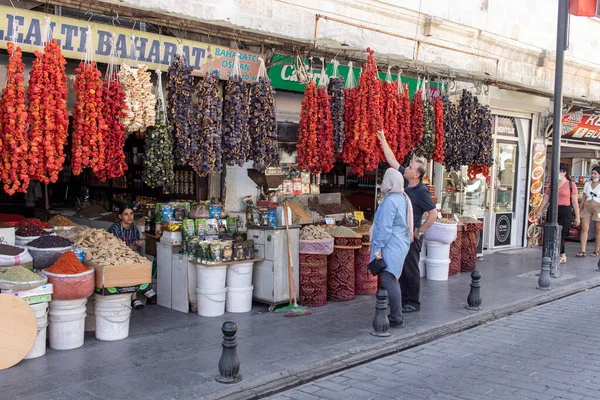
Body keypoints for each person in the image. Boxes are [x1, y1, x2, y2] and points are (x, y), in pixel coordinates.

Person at [377, 130, 438, 313]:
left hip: (412, 236)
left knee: (411, 268)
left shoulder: (421, 191)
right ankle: (402, 300)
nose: (407, 168)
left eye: (411, 168)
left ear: (417, 175)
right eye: (409, 166)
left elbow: (433, 214)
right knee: (401, 267)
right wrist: (383, 139)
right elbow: (392, 161)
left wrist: (419, 231)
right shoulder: (404, 182)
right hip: (401, 235)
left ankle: (413, 302)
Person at [371, 168, 413, 328]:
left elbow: (385, 227)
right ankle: (395, 314)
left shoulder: (390, 200)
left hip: (391, 245)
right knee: (392, 278)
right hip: (399, 243)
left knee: (389, 279)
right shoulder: (402, 197)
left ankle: (396, 317)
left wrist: (378, 247)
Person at [537, 163, 580, 263]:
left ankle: (562, 254)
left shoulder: (571, 185)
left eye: (559, 171)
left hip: (564, 210)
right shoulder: (552, 183)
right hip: (552, 209)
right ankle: (551, 253)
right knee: (550, 232)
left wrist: (577, 216)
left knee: (560, 233)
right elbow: (546, 197)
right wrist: (540, 209)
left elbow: (574, 201)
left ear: (564, 172)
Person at [108, 205, 146, 309]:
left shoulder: (134, 229)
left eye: (131, 214)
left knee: (139, 261)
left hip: (130, 255)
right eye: (126, 214)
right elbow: (115, 248)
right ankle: (139, 295)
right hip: (115, 256)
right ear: (120, 216)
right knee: (133, 264)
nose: (129, 217)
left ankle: (135, 297)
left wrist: (138, 244)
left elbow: (135, 247)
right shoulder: (115, 228)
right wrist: (131, 247)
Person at [577, 166, 600, 257]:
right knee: (584, 228)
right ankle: (583, 250)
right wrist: (579, 209)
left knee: (598, 229)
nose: (593, 175)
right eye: (592, 173)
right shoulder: (587, 184)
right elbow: (583, 197)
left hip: (598, 207)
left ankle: (597, 250)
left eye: (595, 173)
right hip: (587, 206)